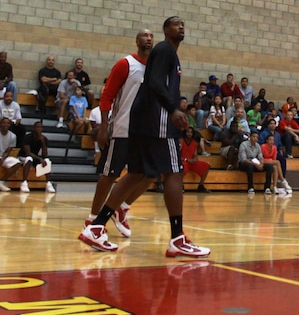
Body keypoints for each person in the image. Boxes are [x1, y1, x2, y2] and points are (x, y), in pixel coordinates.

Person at [80, 17, 210, 257]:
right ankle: (177, 238)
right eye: (175, 24)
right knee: (173, 172)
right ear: (165, 30)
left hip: (141, 122)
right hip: (156, 120)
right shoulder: (164, 51)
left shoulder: (165, 53)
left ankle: (96, 227)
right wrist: (172, 109)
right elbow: (154, 83)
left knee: (137, 173)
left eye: (183, 24)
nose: (181, 27)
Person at [86, 29, 155, 238]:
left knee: (151, 173)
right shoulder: (125, 64)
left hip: (145, 132)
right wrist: (105, 126)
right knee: (110, 175)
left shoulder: (154, 69)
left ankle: (122, 207)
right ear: (136, 41)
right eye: (144, 35)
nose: (149, 38)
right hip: (122, 129)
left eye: (152, 36)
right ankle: (92, 219)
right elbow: (107, 95)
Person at [18, 121, 55, 193]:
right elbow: (28, 153)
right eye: (37, 127)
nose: (39, 129)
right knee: (29, 159)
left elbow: (45, 155)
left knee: (47, 160)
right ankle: (24, 183)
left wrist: (43, 143)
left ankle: (48, 183)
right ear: (34, 128)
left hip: (34, 157)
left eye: (41, 127)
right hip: (23, 157)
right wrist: (39, 159)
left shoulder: (44, 138)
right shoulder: (27, 137)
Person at [180, 126, 211, 193]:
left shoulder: (194, 143)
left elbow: (195, 155)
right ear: (185, 132)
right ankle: (180, 185)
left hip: (191, 161)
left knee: (206, 165)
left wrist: (195, 159)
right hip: (183, 161)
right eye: (188, 132)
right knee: (181, 167)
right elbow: (177, 153)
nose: (189, 134)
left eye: (191, 132)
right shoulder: (181, 140)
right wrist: (186, 159)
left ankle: (201, 186)